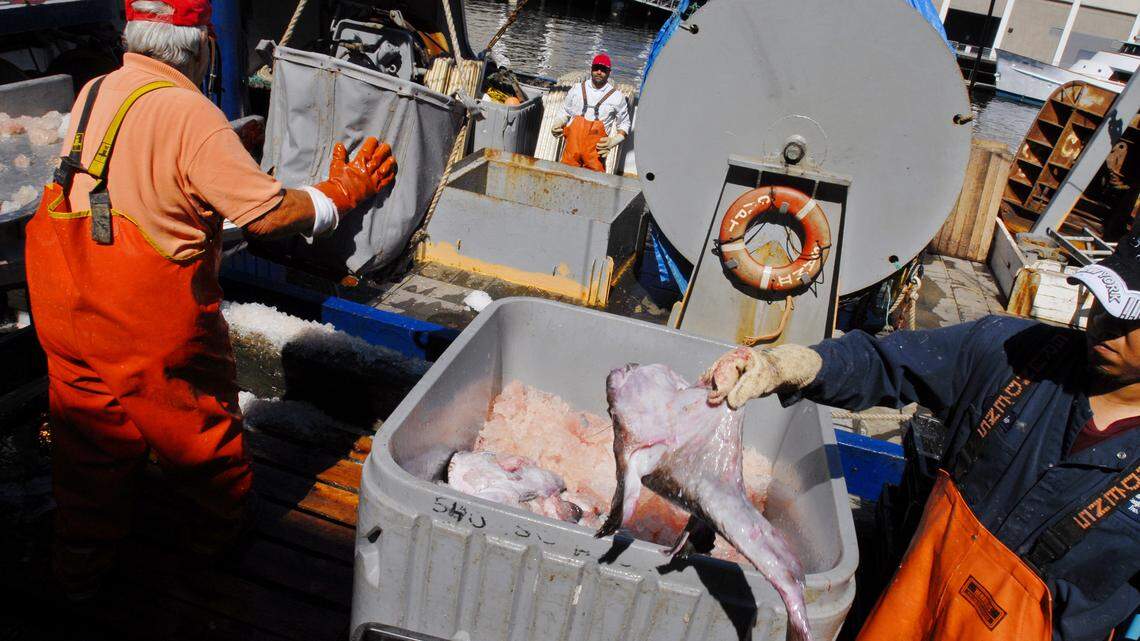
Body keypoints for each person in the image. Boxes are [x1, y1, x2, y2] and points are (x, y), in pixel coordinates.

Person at [23, 0, 396, 598]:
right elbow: (269, 216)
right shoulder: (189, 112)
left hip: (65, 298)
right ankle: (212, 549)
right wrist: (339, 192)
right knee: (196, 430)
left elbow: (129, 180)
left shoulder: (96, 87)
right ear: (203, 44)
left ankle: (80, 565)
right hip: (141, 317)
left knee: (89, 437)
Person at [704, 234, 1140, 641]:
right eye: (1104, 299)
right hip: (907, 608)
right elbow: (886, 363)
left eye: (1130, 316)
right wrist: (794, 366)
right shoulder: (1016, 352)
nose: (1105, 321)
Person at [551, 53, 631, 172]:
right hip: (572, 150)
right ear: (591, 69)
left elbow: (625, 124)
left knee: (594, 185)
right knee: (565, 178)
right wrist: (558, 122)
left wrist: (614, 141)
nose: (599, 72)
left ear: (609, 72)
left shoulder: (617, 97)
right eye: (596, 68)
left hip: (595, 154)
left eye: (603, 69)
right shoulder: (576, 89)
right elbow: (565, 110)